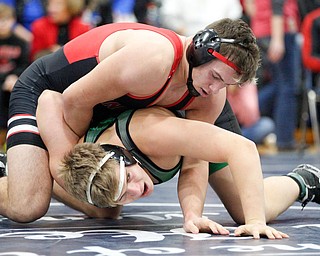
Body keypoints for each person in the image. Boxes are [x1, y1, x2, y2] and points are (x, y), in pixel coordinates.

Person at [3, 18, 262, 231]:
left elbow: (195, 160)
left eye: (225, 84)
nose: (214, 89)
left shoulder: (210, 95)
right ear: (198, 50)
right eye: (215, 76)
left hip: (97, 102)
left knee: (106, 206)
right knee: (28, 204)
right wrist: (81, 160)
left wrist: (192, 216)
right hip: (51, 92)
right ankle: (22, 172)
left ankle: (31, 169)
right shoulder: (153, 60)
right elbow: (71, 100)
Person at [36, 90, 320, 239]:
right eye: (124, 193)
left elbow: (241, 149)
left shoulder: (151, 134)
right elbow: (48, 100)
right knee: (104, 212)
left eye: (129, 180)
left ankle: (305, 180)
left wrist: (255, 221)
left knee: (247, 209)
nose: (137, 191)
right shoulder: (87, 167)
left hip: (201, 107)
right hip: (177, 134)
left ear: (123, 155)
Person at [244, 0, 301, 151]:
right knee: (288, 87)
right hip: (280, 31)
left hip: (261, 30)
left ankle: (249, 114)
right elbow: (278, 4)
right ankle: (285, 139)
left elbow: (251, 8)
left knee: (279, 85)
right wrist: (278, 38)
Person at [0, 3, 30, 151]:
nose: (2, 24)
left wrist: (14, 76)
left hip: (11, 82)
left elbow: (25, 64)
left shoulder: (20, 42)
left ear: (13, 21)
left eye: (5, 20)